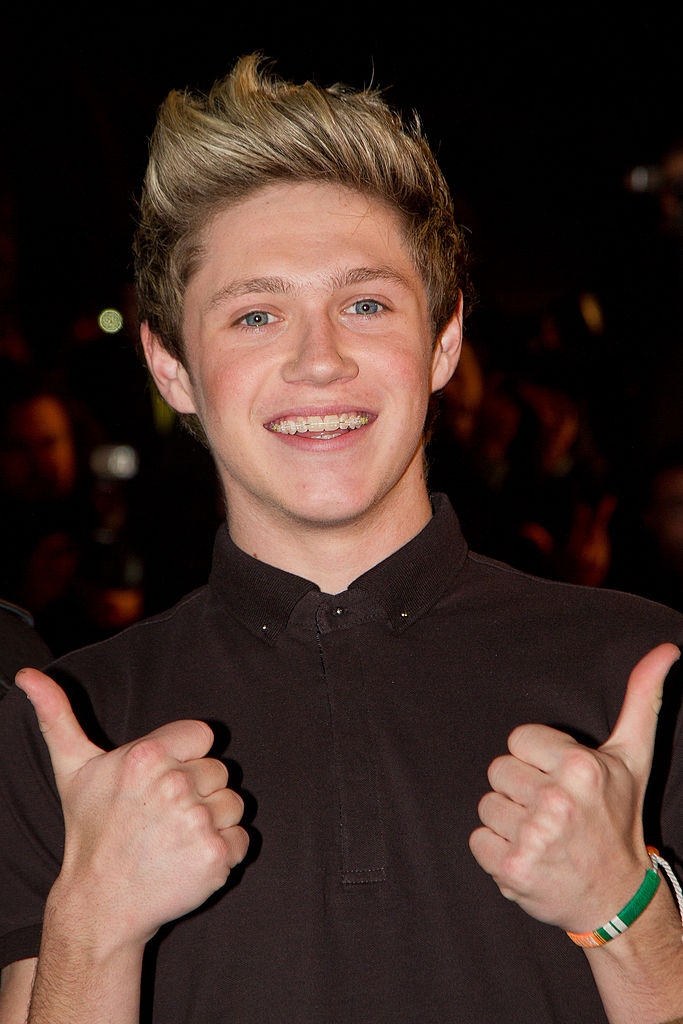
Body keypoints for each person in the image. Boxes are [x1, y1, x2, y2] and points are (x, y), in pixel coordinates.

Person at [0, 54, 682, 1024]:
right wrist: (93, 927)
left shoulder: (646, 678)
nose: (318, 360)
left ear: (442, 339)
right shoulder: (70, 727)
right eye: (255, 314)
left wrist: (626, 913)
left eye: (364, 304)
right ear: (171, 366)